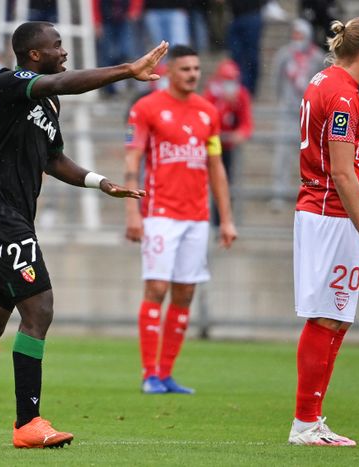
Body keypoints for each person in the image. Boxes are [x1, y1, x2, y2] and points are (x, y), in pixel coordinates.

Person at [0, 21, 168, 449]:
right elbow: (64, 81)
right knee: (39, 309)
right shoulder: (9, 82)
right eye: (57, 45)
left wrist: (101, 182)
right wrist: (128, 70)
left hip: (5, 219)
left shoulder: (48, 104)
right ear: (34, 55)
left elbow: (53, 159)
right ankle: (28, 423)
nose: (64, 50)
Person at [290, 17, 359, 446]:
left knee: (337, 318)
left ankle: (312, 420)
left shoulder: (322, 79)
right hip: (331, 212)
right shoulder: (343, 95)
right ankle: (305, 423)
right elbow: (343, 173)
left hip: (325, 211)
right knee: (328, 317)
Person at [124, 45, 237, 395]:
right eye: (185, 68)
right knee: (157, 287)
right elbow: (133, 161)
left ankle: (166, 373)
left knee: (186, 292)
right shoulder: (146, 108)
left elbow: (216, 167)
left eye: (197, 69)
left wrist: (227, 219)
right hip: (160, 214)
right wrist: (132, 211)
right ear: (170, 71)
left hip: (197, 216)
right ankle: (148, 374)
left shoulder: (207, 113)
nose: (192, 75)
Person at [270, 18, 325, 207]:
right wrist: (282, 101)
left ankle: (313, 193)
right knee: (283, 154)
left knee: (312, 155)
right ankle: (280, 192)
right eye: (294, 34)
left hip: (310, 114)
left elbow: (322, 84)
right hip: (288, 112)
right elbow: (276, 80)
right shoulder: (284, 55)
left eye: (300, 34)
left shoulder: (318, 57)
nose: (297, 38)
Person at [203, 58, 254, 225]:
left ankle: (224, 222)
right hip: (211, 146)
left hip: (229, 148)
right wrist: (224, 104)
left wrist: (240, 134)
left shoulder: (242, 95)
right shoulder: (211, 94)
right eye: (227, 80)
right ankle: (208, 221)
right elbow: (205, 119)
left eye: (233, 81)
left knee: (227, 183)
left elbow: (246, 123)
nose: (230, 84)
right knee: (208, 182)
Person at [93, 0, 143, 96]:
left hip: (124, 18)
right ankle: (109, 88)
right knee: (108, 56)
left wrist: (134, 9)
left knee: (126, 52)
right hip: (106, 21)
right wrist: (97, 22)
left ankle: (127, 83)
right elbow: (95, 3)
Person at [225, 0, 265, 96]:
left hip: (251, 15)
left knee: (251, 56)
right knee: (237, 56)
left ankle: (248, 89)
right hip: (236, 16)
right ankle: (242, 88)